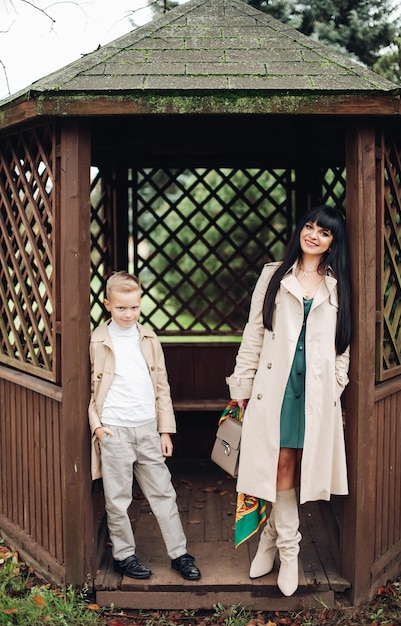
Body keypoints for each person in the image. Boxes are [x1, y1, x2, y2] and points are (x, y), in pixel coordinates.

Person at [227, 205, 351, 597]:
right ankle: (290, 552)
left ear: (333, 242)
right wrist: (241, 388)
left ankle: (267, 538)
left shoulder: (338, 284)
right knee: (279, 465)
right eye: (310, 226)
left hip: (314, 394)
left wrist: (336, 383)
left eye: (324, 232)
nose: (313, 235)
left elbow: (342, 344)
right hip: (274, 389)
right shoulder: (273, 275)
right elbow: (253, 334)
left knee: (299, 469)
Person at [88, 271, 201, 581]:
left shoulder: (149, 339)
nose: (129, 314)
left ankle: (179, 553)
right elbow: (89, 388)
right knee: (118, 498)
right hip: (114, 429)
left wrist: (165, 430)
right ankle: (124, 555)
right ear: (107, 304)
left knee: (163, 493)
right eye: (122, 307)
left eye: (135, 307)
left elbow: (161, 385)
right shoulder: (97, 341)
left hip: (147, 428)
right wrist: (97, 427)